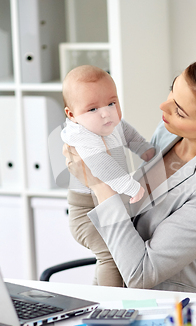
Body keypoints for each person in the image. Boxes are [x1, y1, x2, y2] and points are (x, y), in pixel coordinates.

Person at [64, 56, 196, 293]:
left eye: (180, 111)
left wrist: (99, 184)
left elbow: (141, 275)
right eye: (172, 92)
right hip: (112, 283)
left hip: (165, 305)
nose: (163, 107)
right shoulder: (168, 132)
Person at [61, 65, 155, 287]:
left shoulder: (109, 122)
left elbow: (128, 132)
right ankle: (109, 305)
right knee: (111, 256)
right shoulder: (81, 134)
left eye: (112, 103)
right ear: (72, 115)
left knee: (112, 255)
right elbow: (102, 167)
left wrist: (144, 149)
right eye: (92, 109)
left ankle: (95, 298)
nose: (106, 112)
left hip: (108, 203)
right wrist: (131, 187)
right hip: (86, 211)